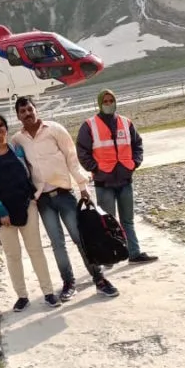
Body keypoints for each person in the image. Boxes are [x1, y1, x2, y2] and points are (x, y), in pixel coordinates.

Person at [11, 96, 119, 300]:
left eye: (30, 109)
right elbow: (14, 165)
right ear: (18, 116)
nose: (27, 113)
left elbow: (72, 158)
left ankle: (99, 279)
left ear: (36, 109)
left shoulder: (54, 129)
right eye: (22, 111)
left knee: (80, 238)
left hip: (64, 194)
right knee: (57, 243)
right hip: (42, 199)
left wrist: (82, 185)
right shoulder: (18, 140)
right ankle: (68, 283)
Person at [0, 114, 61, 311]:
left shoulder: (18, 150)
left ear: (6, 128)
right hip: (2, 215)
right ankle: (22, 296)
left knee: (36, 251)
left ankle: (48, 292)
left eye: (1, 125)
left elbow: (30, 173)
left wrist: (32, 197)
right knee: (13, 255)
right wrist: (2, 211)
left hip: (26, 208)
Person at [76, 89, 158, 265]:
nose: (108, 104)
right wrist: (95, 168)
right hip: (103, 182)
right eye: (105, 101)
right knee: (107, 221)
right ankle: (110, 255)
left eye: (111, 100)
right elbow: (82, 151)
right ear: (99, 103)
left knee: (128, 220)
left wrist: (135, 163)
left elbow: (137, 144)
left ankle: (134, 253)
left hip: (125, 179)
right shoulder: (89, 125)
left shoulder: (126, 123)